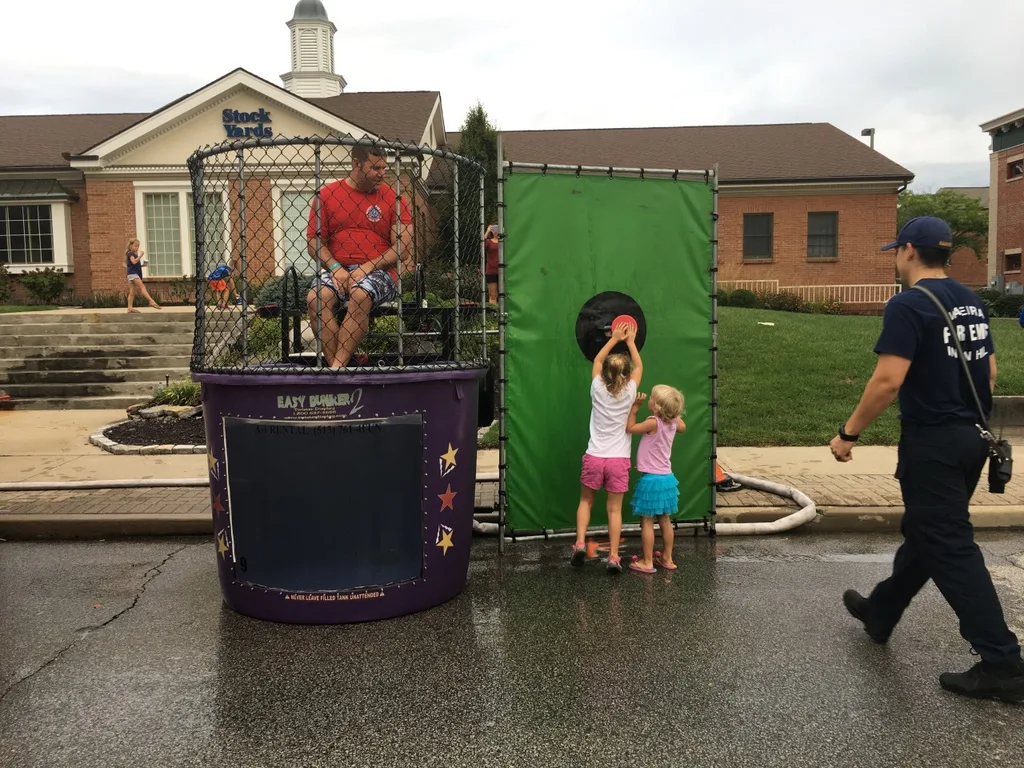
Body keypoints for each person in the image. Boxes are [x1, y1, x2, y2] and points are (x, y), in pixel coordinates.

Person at [831, 216, 1023, 703]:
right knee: (927, 533)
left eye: (897, 251)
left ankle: (1003, 663)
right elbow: (990, 372)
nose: (897, 258)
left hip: (933, 444)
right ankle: (881, 611)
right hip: (971, 439)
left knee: (950, 546)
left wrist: (848, 433)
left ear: (910, 251)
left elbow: (888, 381)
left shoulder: (909, 304)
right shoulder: (972, 300)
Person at [305, 144, 413, 368]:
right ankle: (339, 369)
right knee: (316, 298)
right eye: (375, 168)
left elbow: (402, 249)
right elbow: (314, 243)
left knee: (360, 294)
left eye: (384, 167)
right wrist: (336, 268)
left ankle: (336, 369)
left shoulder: (395, 199)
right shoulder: (326, 196)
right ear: (356, 164)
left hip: (380, 273)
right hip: (338, 270)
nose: (382, 173)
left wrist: (367, 267)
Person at [570, 321, 643, 574]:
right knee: (614, 510)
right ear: (626, 375)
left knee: (585, 501)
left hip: (594, 456)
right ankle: (613, 557)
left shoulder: (597, 387)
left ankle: (580, 542)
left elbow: (598, 361)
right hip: (617, 460)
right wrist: (630, 342)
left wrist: (614, 338)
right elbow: (639, 366)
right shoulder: (631, 391)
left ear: (604, 374)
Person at [625, 384, 686, 574]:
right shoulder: (674, 423)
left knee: (647, 521)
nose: (649, 400)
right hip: (667, 479)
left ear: (657, 407)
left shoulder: (653, 422)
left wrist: (635, 408)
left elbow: (630, 428)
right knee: (665, 520)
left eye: (651, 398)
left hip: (651, 480)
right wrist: (673, 414)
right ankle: (667, 558)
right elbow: (683, 426)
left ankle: (647, 561)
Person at [125, 238, 161, 313]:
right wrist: (140, 255)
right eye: (135, 246)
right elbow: (134, 262)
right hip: (133, 274)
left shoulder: (134, 254)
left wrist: (142, 265)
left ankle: (130, 308)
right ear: (130, 246)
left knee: (132, 292)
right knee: (142, 287)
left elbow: (134, 264)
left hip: (131, 274)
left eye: (138, 246)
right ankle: (151, 301)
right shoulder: (130, 254)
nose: (137, 248)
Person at [484, 224, 499, 305]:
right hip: (491, 271)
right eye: (494, 229)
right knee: (493, 295)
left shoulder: (504, 242)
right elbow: (482, 245)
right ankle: (494, 310)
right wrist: (487, 231)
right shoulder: (489, 242)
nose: (496, 231)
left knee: (504, 295)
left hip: (503, 271)